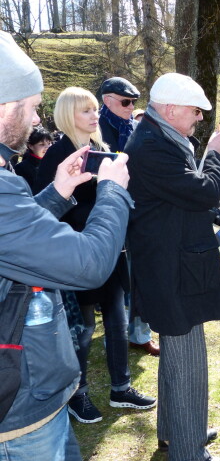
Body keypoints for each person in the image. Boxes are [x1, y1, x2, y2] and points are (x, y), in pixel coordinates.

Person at [0, 31, 132, 460]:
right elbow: (88, 263)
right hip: (20, 413)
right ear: (4, 106)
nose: (36, 119)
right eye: (32, 107)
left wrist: (58, 192)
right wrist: (113, 190)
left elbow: (16, 235)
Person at [124, 73, 220, 461]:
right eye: (194, 111)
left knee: (176, 353)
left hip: (172, 264)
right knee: (188, 363)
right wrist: (217, 154)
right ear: (170, 109)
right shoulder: (153, 145)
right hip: (171, 270)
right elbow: (202, 190)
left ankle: (175, 431)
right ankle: (190, 451)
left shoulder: (159, 136)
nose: (200, 119)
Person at [34, 87, 156, 424]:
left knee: (117, 322)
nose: (93, 116)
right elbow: (47, 212)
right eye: (85, 111)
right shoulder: (59, 155)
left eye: (93, 110)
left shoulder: (101, 149)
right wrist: (100, 206)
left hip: (112, 253)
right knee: (84, 328)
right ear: (67, 115)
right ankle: (78, 394)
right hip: (76, 255)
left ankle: (121, 388)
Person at [98, 77, 159, 357]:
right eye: (125, 102)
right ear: (107, 101)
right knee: (114, 281)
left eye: (133, 102)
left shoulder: (135, 128)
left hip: (138, 212)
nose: (130, 106)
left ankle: (139, 334)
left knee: (141, 275)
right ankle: (115, 334)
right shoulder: (95, 131)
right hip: (107, 214)